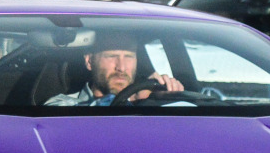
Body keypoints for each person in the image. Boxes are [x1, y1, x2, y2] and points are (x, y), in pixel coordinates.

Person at [44, 31, 183, 106]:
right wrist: (132, 99)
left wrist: (172, 98)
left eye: (128, 57)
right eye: (111, 56)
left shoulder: (146, 99)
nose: (121, 67)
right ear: (89, 61)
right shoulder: (62, 105)